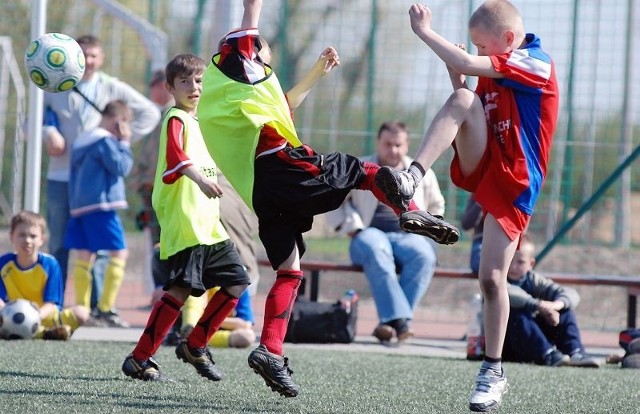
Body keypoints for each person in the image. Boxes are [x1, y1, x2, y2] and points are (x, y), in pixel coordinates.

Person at [197, 0, 459, 398]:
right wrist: (254, 12)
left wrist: (317, 73)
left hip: (261, 193)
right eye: (264, 54)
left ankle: (270, 350)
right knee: (355, 169)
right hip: (278, 162)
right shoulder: (232, 63)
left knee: (289, 270)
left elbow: (284, 104)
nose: (266, 59)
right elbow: (248, 27)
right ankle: (410, 207)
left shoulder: (240, 97)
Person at [373, 2, 559, 412]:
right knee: (461, 96)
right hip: (486, 163)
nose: (478, 52)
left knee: (491, 279)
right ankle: (412, 177)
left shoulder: (535, 62)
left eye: (482, 46)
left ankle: (493, 371)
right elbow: (470, 98)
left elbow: (465, 61)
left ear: (507, 40)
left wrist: (425, 33)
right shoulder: (498, 62)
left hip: (515, 183)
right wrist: (459, 72)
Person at [121, 53, 250, 382]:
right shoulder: (175, 117)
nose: (194, 87)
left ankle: (195, 344)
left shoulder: (200, 121)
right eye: (185, 82)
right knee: (178, 292)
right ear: (170, 88)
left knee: (237, 280)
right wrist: (201, 180)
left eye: (198, 81)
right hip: (186, 221)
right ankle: (140, 358)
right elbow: (176, 157)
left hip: (209, 224)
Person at [42, 34, 160, 296]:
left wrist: (119, 139)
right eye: (82, 55)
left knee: (99, 247)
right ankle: (55, 301)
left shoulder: (110, 86)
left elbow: (150, 113)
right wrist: (47, 133)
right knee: (60, 242)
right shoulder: (55, 82)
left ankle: (98, 306)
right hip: (61, 176)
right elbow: (33, 121)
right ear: (72, 56)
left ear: (102, 58)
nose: (88, 61)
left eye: (93, 55)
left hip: (95, 184)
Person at [327, 121, 445, 344]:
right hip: (368, 233)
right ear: (378, 143)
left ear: (407, 145)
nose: (393, 150)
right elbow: (335, 202)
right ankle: (402, 323)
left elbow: (437, 206)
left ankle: (389, 324)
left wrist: (426, 231)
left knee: (425, 256)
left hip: (409, 236)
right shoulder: (361, 167)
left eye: (398, 145)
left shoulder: (421, 173)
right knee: (377, 249)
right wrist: (352, 227)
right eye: (388, 144)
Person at [65, 100, 134, 328]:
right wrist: (124, 142)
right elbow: (121, 167)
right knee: (119, 253)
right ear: (119, 121)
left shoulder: (83, 140)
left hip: (79, 206)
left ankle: (81, 310)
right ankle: (106, 310)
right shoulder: (105, 141)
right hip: (101, 206)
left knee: (84, 256)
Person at [502, 235, 599, 368]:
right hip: (509, 345)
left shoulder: (533, 279)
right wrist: (540, 306)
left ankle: (575, 352)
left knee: (565, 311)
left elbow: (571, 294)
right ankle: (547, 353)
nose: (513, 267)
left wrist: (555, 306)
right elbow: (510, 293)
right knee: (516, 312)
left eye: (520, 262)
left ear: (531, 264)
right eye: (510, 260)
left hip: (531, 340)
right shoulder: (497, 279)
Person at [0, 211, 89, 340]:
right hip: (11, 316)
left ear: (42, 239)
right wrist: (8, 315)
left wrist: (33, 317)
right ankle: (45, 334)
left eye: (33, 236)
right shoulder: (3, 263)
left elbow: (51, 304)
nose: (27, 240)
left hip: (43, 316)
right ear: (11, 236)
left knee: (82, 313)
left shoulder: (50, 265)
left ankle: (26, 331)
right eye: (22, 235)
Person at [129, 69, 175, 305]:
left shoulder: (173, 115)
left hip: (163, 189)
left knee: (164, 244)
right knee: (156, 244)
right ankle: (161, 291)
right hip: (151, 188)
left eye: (154, 84)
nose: (152, 90)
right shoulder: (156, 115)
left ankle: (167, 294)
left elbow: (161, 157)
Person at [461, 194, 483, 275]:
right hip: (482, 240)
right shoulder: (478, 193)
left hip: (507, 239)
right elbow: (466, 224)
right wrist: (481, 202)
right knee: (478, 264)